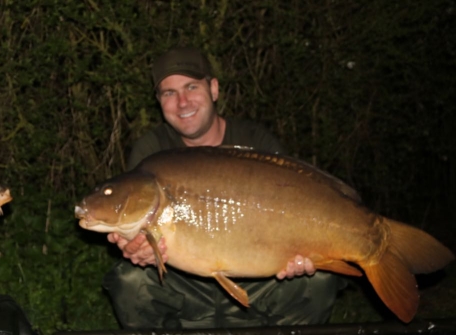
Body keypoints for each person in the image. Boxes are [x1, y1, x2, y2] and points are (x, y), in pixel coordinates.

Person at [103, 47, 346, 328]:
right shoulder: (151, 153)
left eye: (191, 87)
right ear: (159, 102)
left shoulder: (256, 142)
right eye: (169, 93)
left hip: (260, 280)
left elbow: (295, 210)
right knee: (129, 281)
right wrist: (137, 249)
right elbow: (141, 237)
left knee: (316, 282)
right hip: (183, 281)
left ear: (214, 89)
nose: (182, 102)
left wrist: (301, 257)